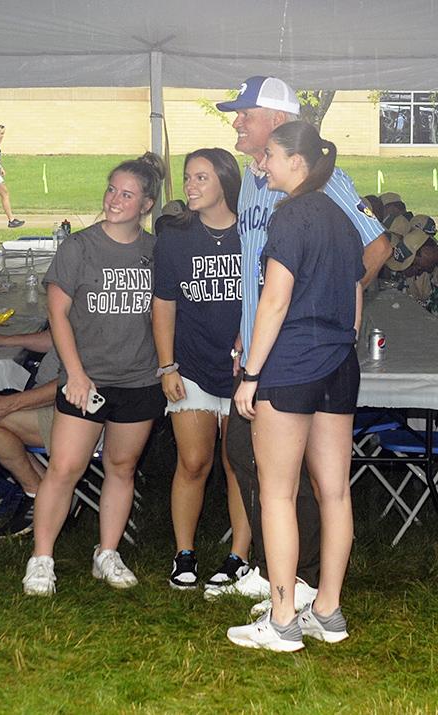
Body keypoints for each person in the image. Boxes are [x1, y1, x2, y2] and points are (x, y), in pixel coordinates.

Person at [212, 76, 391, 612]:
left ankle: (297, 581)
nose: (236, 121)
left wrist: (330, 308)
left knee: (285, 475)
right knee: (249, 457)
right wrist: (247, 332)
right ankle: (289, 580)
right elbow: (257, 271)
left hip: (297, 351)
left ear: (277, 120)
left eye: (244, 113)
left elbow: (376, 247)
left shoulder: (319, 180)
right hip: (264, 344)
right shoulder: (252, 179)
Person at [227, 121, 364, 652]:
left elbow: (274, 301)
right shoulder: (341, 219)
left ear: (298, 164)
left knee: (277, 492)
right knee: (335, 491)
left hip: (291, 365)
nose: (262, 165)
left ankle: (283, 619)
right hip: (338, 364)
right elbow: (353, 301)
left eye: (271, 157)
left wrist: (251, 374)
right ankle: (327, 610)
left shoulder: (290, 217)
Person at [22, 152, 166, 597]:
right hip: (88, 380)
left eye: (127, 194)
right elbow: (58, 315)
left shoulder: (154, 251)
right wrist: (76, 375)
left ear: (146, 204)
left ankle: (107, 552)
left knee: (122, 468)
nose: (114, 200)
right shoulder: (79, 247)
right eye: (111, 189)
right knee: (64, 468)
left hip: (140, 379)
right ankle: (41, 559)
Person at [152, 148, 251, 591]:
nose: (190, 186)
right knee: (193, 461)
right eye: (189, 178)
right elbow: (163, 305)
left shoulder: (253, 234)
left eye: (201, 178)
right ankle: (184, 554)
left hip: (242, 370)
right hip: (189, 364)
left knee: (238, 463)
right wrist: (166, 366)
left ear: (225, 183)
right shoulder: (174, 236)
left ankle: (238, 559)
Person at [0, 326, 58, 537]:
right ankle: (50, 493)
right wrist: (1, 339)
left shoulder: (97, 309)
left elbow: (75, 381)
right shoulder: (80, 303)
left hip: (77, 416)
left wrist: (8, 404)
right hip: (54, 397)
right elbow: (56, 339)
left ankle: (36, 493)